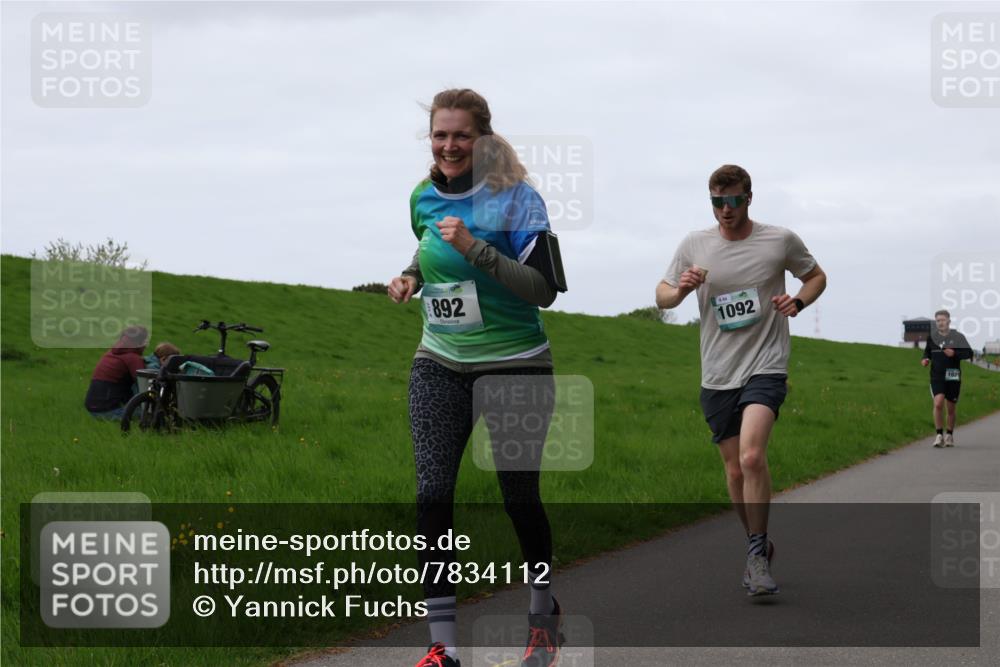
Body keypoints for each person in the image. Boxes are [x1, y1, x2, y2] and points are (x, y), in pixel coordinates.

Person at [388, 89, 563, 667]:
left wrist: (477, 249)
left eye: (460, 134)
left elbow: (545, 290)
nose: (449, 145)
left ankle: (542, 616)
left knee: (518, 496)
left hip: (516, 364)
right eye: (440, 135)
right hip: (439, 360)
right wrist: (411, 275)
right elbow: (427, 243)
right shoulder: (421, 196)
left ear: (481, 138)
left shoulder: (519, 201)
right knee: (433, 492)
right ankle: (444, 647)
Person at [656, 164, 827, 596]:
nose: (726, 210)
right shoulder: (695, 244)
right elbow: (661, 294)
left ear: (749, 198)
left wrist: (799, 302)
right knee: (734, 470)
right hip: (717, 372)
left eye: (733, 201)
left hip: (767, 363)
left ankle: (754, 557)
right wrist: (680, 289)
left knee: (752, 457)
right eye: (718, 202)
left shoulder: (779, 240)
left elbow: (816, 275)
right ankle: (758, 543)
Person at [921, 309, 972, 447]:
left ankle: (949, 435)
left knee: (950, 408)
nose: (940, 323)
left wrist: (954, 353)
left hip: (952, 374)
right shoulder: (932, 338)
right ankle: (939, 435)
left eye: (942, 320)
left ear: (948, 321)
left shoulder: (958, 337)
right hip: (937, 375)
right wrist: (925, 359)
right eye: (937, 321)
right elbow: (927, 353)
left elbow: (969, 353)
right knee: (938, 403)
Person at [83, 325, 149, 420]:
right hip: (107, 412)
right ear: (140, 342)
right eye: (145, 340)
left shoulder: (111, 353)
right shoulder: (133, 358)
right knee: (150, 413)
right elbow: (145, 385)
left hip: (92, 410)